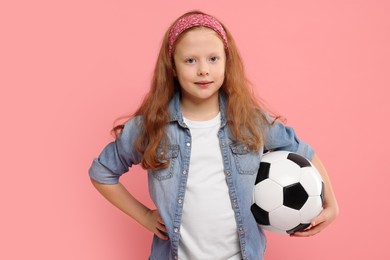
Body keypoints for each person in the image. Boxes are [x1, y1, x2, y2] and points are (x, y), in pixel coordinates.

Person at [89, 10, 339, 260]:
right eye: (190, 61)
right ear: (172, 67)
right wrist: (144, 216)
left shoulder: (248, 120)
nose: (203, 70)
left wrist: (332, 204)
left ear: (226, 62)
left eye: (213, 59)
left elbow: (302, 152)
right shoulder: (151, 126)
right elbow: (102, 173)